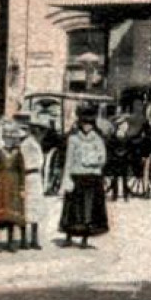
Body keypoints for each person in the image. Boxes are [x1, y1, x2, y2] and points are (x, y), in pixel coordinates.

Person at [59, 106, 110, 247]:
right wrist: (66, 177)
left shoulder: (98, 140)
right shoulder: (74, 139)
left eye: (89, 123)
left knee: (89, 209)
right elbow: (69, 159)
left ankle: (85, 238)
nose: (87, 126)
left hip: (92, 177)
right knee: (73, 208)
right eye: (84, 123)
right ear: (80, 124)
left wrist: (91, 161)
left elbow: (103, 158)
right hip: (77, 176)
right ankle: (69, 235)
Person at [0, 124, 27, 252]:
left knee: (11, 215)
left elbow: (22, 171)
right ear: (3, 139)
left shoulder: (18, 154)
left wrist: (22, 188)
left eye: (11, 138)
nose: (8, 141)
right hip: (0, 184)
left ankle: (10, 242)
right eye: (6, 138)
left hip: (13, 185)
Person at [16, 120, 49, 250]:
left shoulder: (34, 144)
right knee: (25, 207)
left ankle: (34, 239)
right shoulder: (25, 144)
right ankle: (24, 239)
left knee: (35, 207)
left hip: (35, 177)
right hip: (27, 176)